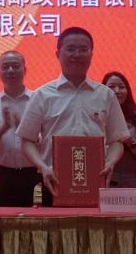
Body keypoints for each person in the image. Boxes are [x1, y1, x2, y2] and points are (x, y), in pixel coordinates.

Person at [16, 27, 128, 204]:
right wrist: (43, 167)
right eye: (70, 49)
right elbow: (27, 140)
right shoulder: (42, 95)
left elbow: (117, 140)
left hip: (95, 180)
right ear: (58, 54)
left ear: (91, 55)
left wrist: (110, 162)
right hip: (53, 181)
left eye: (83, 49)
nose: (77, 55)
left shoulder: (105, 95)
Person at [0, 51, 38, 206]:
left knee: (37, 220)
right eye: (5, 67)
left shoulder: (38, 100)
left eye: (15, 66)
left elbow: (48, 140)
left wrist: (24, 127)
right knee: (0, 220)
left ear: (25, 70)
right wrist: (3, 128)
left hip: (35, 175)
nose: (10, 70)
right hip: (3, 176)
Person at [101, 71, 136, 188]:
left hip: (133, 181)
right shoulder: (97, 117)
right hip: (106, 180)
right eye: (111, 87)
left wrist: (129, 140)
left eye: (121, 87)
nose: (117, 91)